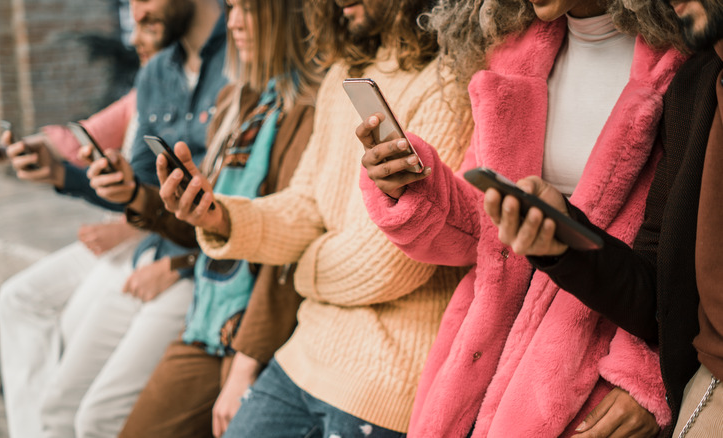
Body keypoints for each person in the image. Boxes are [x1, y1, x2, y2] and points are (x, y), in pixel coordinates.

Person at [357, 0, 687, 436]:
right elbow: (483, 231)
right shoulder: (513, 52)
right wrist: (412, 186)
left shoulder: (679, 63)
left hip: (591, 365)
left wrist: (648, 373)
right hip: (481, 352)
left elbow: (688, 253)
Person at [153, 0, 472, 436]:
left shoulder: (448, 81)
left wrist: (302, 272)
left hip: (387, 377)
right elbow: (306, 205)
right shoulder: (343, 73)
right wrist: (220, 218)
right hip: (303, 352)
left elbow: (389, 266)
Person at [0, 0, 229, 436]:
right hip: (154, 249)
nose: (134, 16)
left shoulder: (243, 58)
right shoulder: (157, 74)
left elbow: (251, 201)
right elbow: (137, 185)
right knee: (59, 405)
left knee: (97, 418)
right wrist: (63, 173)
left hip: (203, 269)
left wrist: (181, 263)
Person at [482, 1, 723, 436]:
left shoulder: (674, 69)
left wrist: (644, 379)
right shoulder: (698, 84)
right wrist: (561, 237)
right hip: (705, 382)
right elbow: (662, 294)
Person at [87, 1, 321, 436]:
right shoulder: (237, 100)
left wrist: (246, 361)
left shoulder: (311, 107)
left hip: (261, 325)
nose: (233, 23)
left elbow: (293, 244)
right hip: (210, 314)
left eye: (247, 9)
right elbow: (209, 226)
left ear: (283, 14)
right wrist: (138, 195)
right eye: (230, 8)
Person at [0, 10, 168, 438]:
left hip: (149, 241)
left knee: (70, 329)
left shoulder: (195, 97)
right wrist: (5, 150)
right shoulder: (142, 93)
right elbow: (75, 140)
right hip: (114, 236)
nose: (136, 42)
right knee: (16, 299)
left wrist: (131, 226)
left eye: (147, 28)